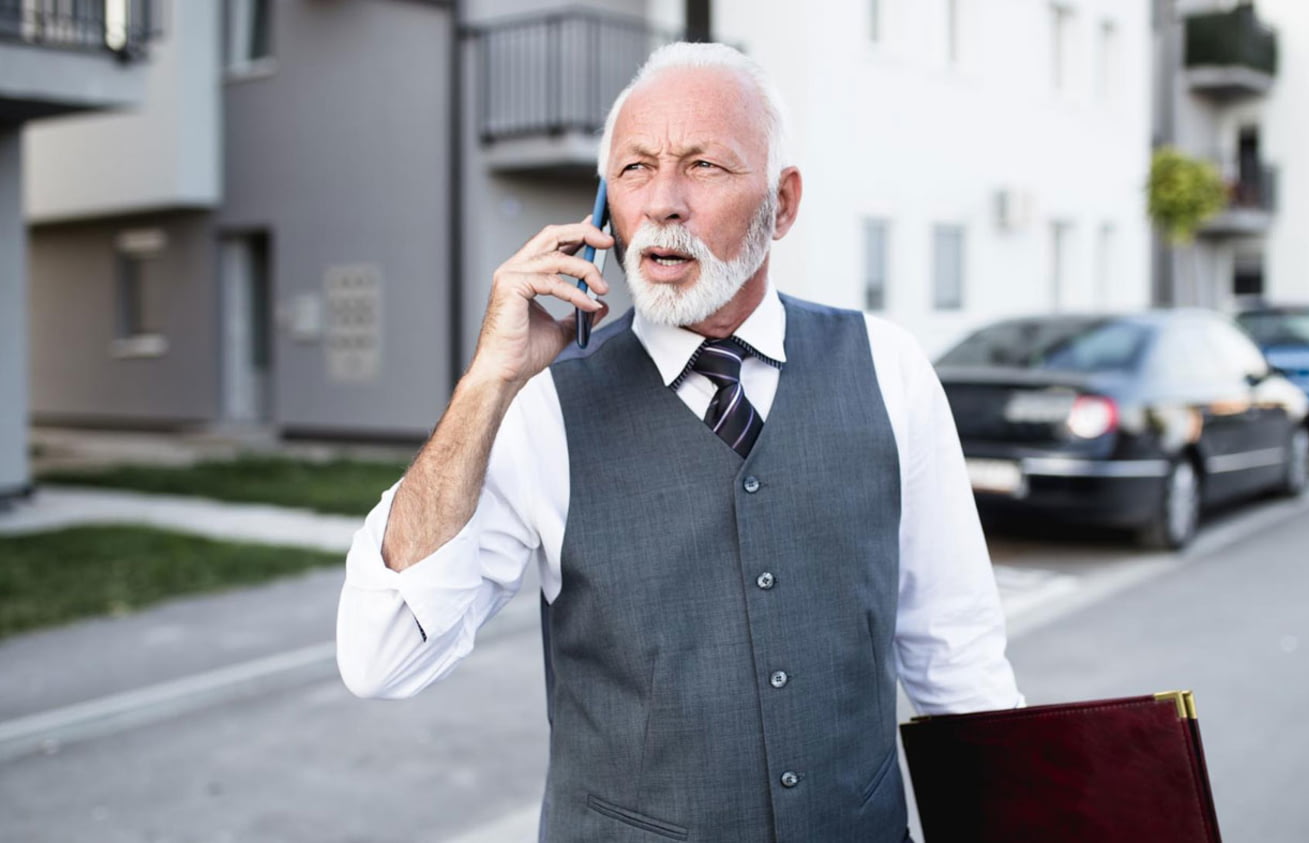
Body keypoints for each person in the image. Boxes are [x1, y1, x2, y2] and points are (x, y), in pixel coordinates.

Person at [336, 41, 1022, 842]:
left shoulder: (890, 370)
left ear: (783, 203)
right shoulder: (541, 407)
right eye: (634, 170)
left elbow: (957, 654)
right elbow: (379, 657)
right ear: (603, 209)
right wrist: (488, 382)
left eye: (703, 166)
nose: (663, 202)